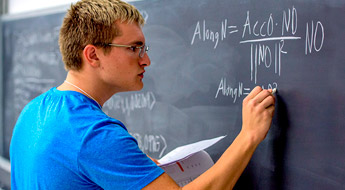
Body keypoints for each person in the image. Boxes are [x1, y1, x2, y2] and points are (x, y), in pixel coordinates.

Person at [10, 0, 275, 189]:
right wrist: (248, 136)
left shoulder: (33, 111)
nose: (146, 60)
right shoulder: (94, 135)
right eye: (134, 48)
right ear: (93, 55)